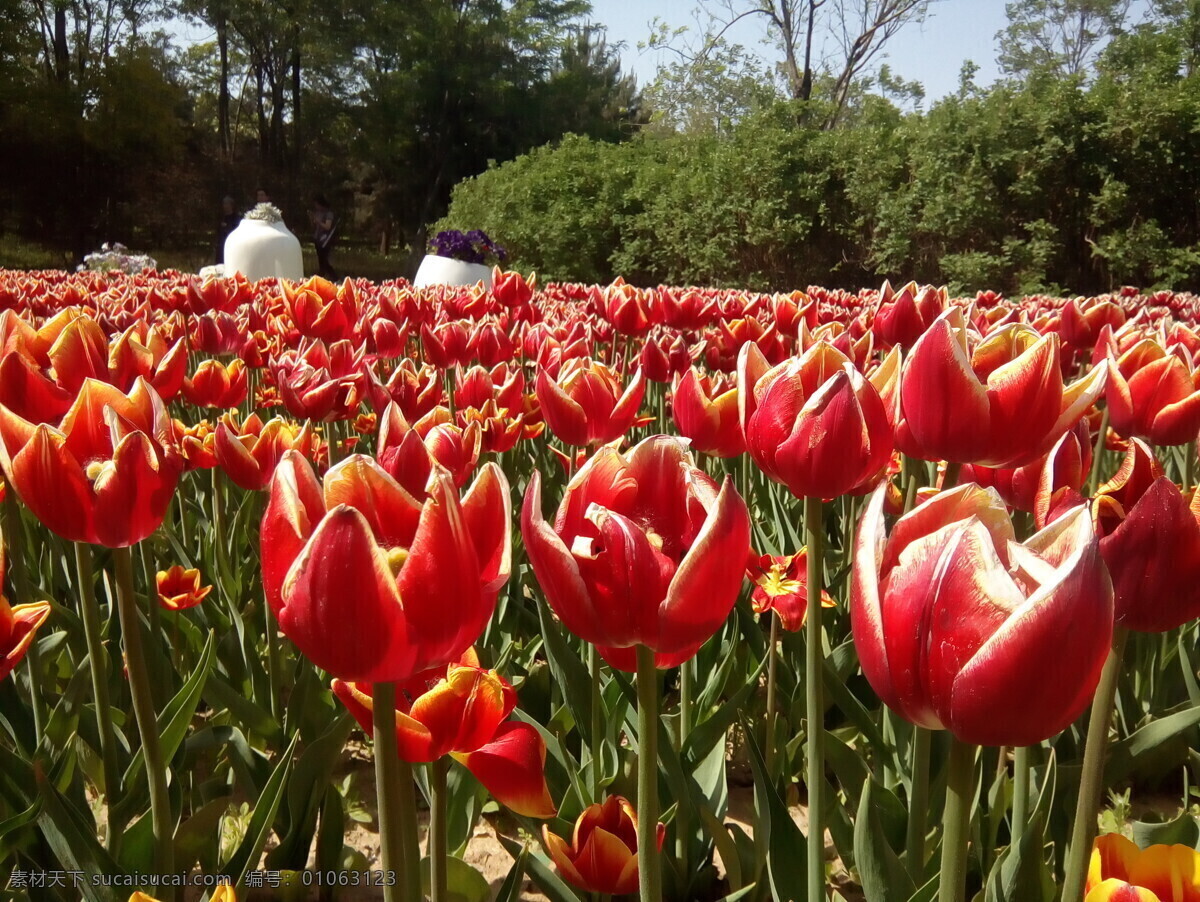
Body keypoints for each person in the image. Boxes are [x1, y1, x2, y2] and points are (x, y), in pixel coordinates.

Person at [309, 194, 337, 280]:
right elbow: (314, 226)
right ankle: (322, 273)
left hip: (326, 239)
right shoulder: (318, 213)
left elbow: (327, 226)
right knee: (320, 258)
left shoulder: (329, 214)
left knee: (324, 258)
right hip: (318, 238)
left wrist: (319, 222)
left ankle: (333, 276)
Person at [215, 196, 240, 264]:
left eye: (227, 204)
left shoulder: (236, 218)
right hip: (221, 246)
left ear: (231, 205)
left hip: (232, 245)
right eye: (224, 204)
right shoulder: (221, 218)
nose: (225, 206)